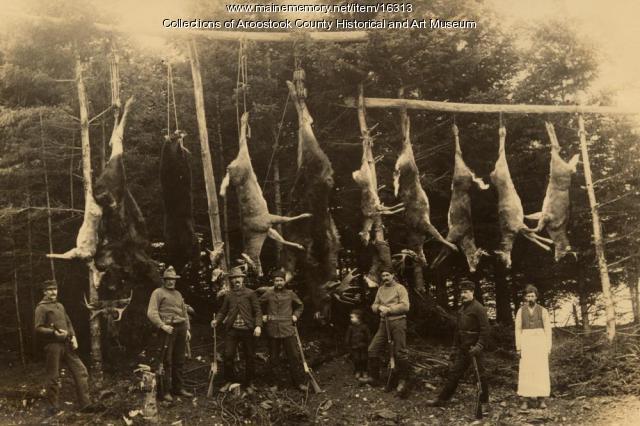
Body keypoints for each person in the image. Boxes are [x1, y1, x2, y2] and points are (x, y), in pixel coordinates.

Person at [34, 279, 94, 416]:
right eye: (49, 289)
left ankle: (86, 404)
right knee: (53, 376)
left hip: (67, 344)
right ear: (44, 292)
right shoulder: (41, 307)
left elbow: (68, 322)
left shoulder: (60, 306)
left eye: (54, 289)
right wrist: (53, 332)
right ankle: (52, 408)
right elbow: (38, 328)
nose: (53, 292)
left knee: (81, 371)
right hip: (53, 346)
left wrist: (73, 336)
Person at [426, 280, 490, 408]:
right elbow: (458, 330)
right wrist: (455, 348)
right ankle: (442, 399)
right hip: (463, 348)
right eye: (462, 292)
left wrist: (479, 346)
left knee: (480, 375)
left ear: (472, 292)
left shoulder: (479, 308)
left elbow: (486, 330)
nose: (463, 294)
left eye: (466, 292)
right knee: (454, 373)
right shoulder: (462, 309)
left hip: (475, 349)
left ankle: (484, 402)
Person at [361, 268, 411, 399]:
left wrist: (390, 309)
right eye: (383, 275)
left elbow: (406, 306)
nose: (385, 277)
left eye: (387, 275)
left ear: (393, 275)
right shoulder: (381, 289)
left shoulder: (400, 288)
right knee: (373, 349)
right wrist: (378, 307)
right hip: (384, 324)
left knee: (400, 352)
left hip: (398, 322)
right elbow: (374, 305)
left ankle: (402, 381)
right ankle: (374, 378)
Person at [211, 266, 262, 392]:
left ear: (242, 279)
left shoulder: (251, 293)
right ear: (231, 280)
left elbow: (258, 311)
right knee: (228, 355)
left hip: (248, 330)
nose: (236, 280)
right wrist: (216, 320)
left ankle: (249, 382)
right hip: (232, 330)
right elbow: (223, 311)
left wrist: (258, 326)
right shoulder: (229, 295)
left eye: (238, 277)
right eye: (234, 278)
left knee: (249, 356)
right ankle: (229, 380)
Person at [147, 266, 193, 401]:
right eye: (168, 279)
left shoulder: (178, 294)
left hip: (181, 328)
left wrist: (188, 329)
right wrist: (162, 326)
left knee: (179, 359)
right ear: (164, 280)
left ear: (175, 280)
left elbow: (184, 312)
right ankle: (165, 391)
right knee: (166, 360)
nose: (171, 282)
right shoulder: (158, 293)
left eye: (173, 279)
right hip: (167, 330)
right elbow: (151, 312)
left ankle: (178, 388)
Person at [259, 270, 307, 391]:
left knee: (294, 356)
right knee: (274, 358)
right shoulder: (268, 293)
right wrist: (262, 316)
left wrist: (296, 315)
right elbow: (257, 306)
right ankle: (275, 383)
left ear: (285, 281)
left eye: (281, 280)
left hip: (287, 329)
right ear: (273, 282)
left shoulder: (291, 294)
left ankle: (299, 382)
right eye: (276, 280)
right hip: (272, 330)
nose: (279, 282)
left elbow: (300, 305)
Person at [515, 285, 552, 410]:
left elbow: (548, 329)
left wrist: (548, 346)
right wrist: (518, 347)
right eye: (528, 296)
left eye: (532, 295)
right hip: (526, 342)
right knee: (526, 369)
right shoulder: (520, 311)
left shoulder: (543, 310)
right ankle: (525, 399)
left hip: (540, 342)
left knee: (540, 369)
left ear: (536, 297)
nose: (530, 298)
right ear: (525, 297)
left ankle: (541, 399)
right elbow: (518, 329)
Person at [345, 308, 370, 380]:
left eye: (352, 317)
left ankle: (365, 371)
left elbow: (368, 337)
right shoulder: (351, 328)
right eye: (350, 317)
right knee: (356, 359)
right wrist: (348, 345)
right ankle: (358, 371)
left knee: (364, 359)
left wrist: (368, 345)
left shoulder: (364, 327)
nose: (351, 319)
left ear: (359, 318)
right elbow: (348, 337)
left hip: (363, 347)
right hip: (354, 347)